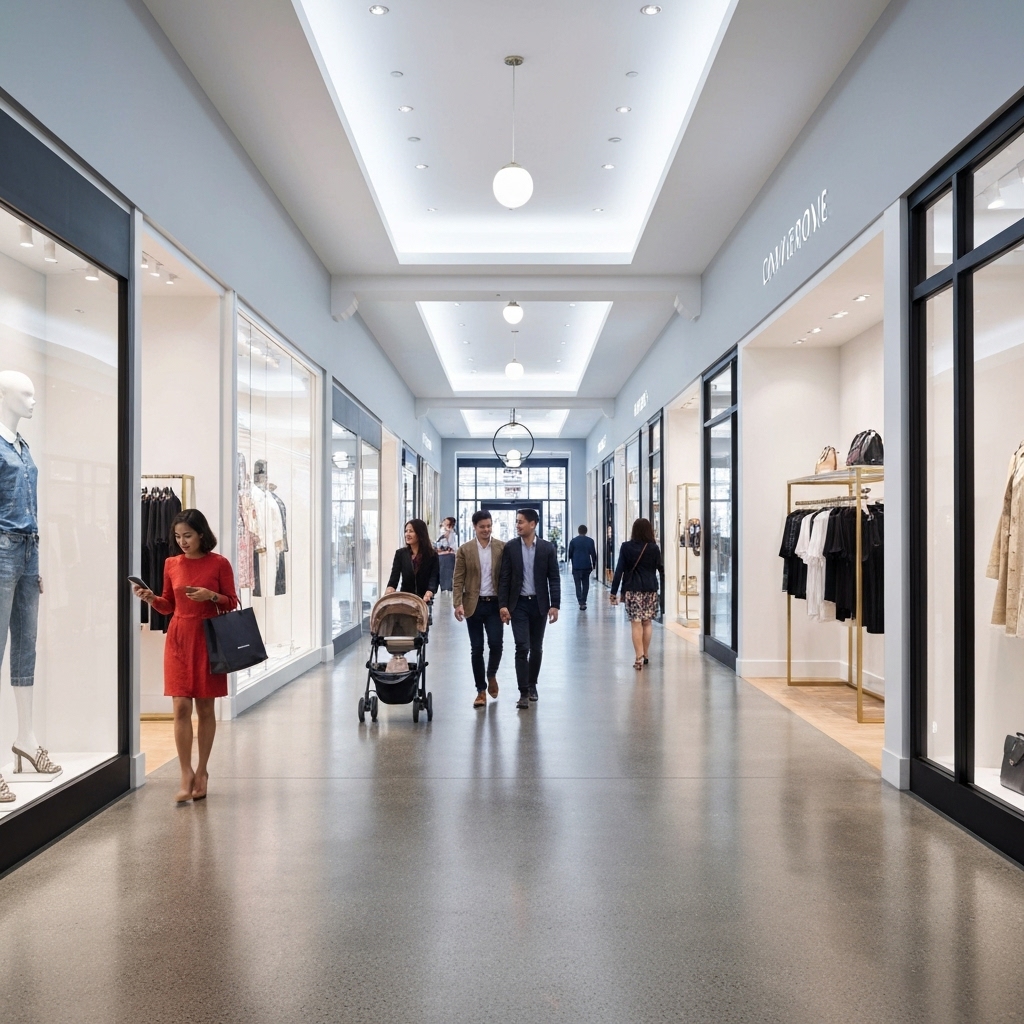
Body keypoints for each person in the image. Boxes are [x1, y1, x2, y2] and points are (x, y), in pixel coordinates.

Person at [132, 509, 238, 803]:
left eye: (188, 536)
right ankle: (185, 773)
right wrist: (152, 598)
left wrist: (211, 596)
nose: (182, 542)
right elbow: (168, 606)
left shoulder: (219, 563)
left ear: (202, 534)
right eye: (178, 536)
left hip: (208, 638)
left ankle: (202, 771)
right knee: (180, 708)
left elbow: (231, 602)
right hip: (179, 637)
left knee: (205, 708)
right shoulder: (171, 563)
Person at [498, 508, 560, 710]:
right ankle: (523, 691)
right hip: (519, 604)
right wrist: (503, 605)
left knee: (536, 647)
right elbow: (504, 578)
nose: (517, 525)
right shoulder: (511, 547)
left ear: (533, 524)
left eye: (521, 522)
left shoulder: (546, 548)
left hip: (539, 604)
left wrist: (555, 605)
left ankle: (533, 685)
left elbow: (554, 578)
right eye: (516, 522)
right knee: (521, 647)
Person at [453, 511, 505, 708]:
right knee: (476, 648)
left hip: (494, 604)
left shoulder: (501, 548)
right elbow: (458, 579)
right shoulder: (465, 550)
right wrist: (457, 603)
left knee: (496, 644)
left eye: (489, 526)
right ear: (474, 527)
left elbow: (506, 578)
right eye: (482, 526)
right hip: (472, 605)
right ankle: (480, 691)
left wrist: (506, 604)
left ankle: (491, 674)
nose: (486, 530)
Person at [610, 518, 664, 671]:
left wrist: (613, 592)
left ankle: (638, 657)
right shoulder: (654, 548)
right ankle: (646, 654)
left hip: (633, 590)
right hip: (650, 590)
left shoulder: (626, 547)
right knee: (647, 622)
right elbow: (660, 567)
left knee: (636, 622)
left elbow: (619, 569)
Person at [386, 518, 438, 602]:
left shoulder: (432, 555)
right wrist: (390, 589)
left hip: (424, 599)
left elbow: (434, 577)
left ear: (420, 533)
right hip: (406, 599)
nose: (407, 534)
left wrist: (429, 592)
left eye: (411, 531)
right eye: (406, 531)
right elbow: (394, 577)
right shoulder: (400, 554)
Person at [566, 524, 598, 610]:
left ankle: (580, 602)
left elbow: (570, 554)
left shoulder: (573, 541)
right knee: (586, 584)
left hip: (576, 566)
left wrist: (570, 563)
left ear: (578, 531)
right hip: (586, 565)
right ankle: (584, 600)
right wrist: (594, 564)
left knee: (577, 585)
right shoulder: (590, 541)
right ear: (586, 531)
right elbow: (593, 553)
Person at [435, 516, 458, 593]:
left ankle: (447, 589)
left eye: (446, 523)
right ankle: (444, 588)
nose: (443, 524)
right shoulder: (443, 533)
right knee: (442, 574)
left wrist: (443, 550)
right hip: (442, 556)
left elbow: (452, 547)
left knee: (447, 574)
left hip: (447, 557)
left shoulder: (451, 534)